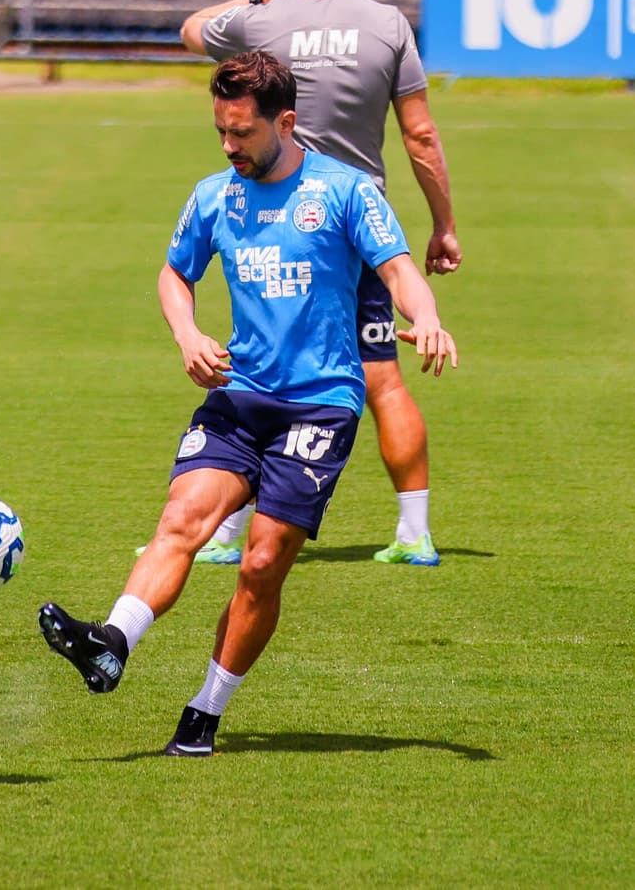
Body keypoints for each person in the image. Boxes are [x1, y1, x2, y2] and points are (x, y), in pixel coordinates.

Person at [39, 51, 457, 757]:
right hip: (240, 397)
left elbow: (397, 270)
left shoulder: (347, 192)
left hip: (321, 407)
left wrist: (432, 318)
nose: (229, 147)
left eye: (242, 133)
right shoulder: (213, 197)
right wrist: (187, 332)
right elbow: (175, 275)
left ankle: (204, 713)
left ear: (284, 121)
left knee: (261, 564)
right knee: (180, 520)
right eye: (220, 133)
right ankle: (111, 644)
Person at [176, 0, 462, 568]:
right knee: (382, 378)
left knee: (261, 366)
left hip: (272, 220)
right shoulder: (386, 22)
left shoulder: (259, 18)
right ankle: (414, 531)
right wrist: (443, 225)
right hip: (357, 226)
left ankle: (218, 530)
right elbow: (419, 135)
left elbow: (190, 30)